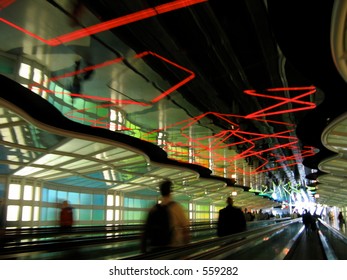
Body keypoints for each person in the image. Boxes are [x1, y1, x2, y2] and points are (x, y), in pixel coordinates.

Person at [141, 180, 190, 253]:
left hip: (154, 248)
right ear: (170, 192)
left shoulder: (153, 208)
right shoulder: (176, 207)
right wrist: (187, 248)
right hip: (171, 247)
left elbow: (145, 230)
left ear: (161, 192)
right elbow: (185, 229)